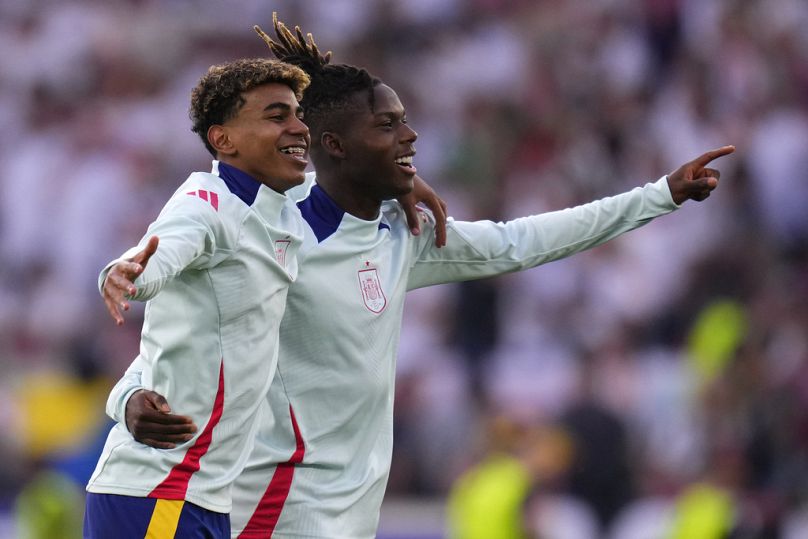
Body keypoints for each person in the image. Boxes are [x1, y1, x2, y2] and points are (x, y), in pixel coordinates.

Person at [111, 14, 735, 538]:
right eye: (387, 125)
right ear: (333, 143)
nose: (410, 135)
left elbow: (521, 242)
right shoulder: (269, 230)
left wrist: (660, 195)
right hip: (272, 511)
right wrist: (127, 400)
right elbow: (188, 334)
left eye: (404, 119)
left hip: (351, 516)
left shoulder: (400, 233)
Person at [82, 57, 314, 538]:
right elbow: (159, 253)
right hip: (161, 493)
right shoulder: (205, 205)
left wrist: (395, 185)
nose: (298, 127)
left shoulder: (280, 210)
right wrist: (127, 274)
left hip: (199, 497)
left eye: (298, 114)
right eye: (277, 116)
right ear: (223, 139)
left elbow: (174, 343)